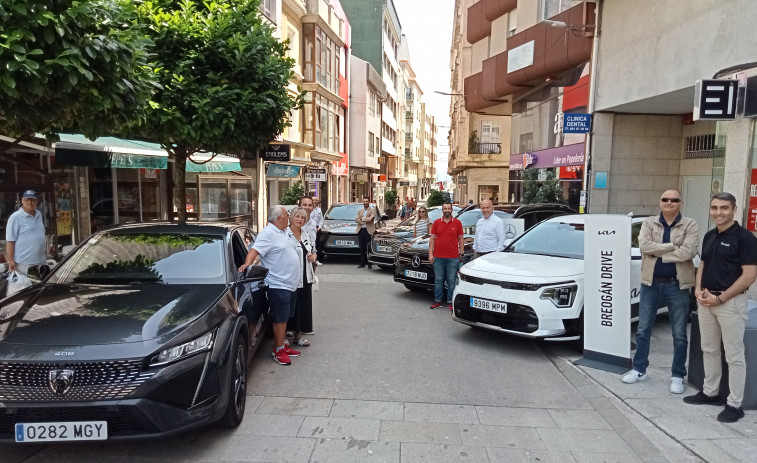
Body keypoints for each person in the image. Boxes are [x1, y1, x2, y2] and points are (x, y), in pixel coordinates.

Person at [684, 192, 757, 423]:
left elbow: (749, 276)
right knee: (710, 349)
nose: (718, 212)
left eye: (724, 208)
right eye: (714, 207)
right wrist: (697, 290)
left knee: (734, 355)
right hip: (706, 301)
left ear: (734, 209)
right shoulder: (709, 236)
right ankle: (710, 392)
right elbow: (703, 264)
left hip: (730, 303)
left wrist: (721, 298)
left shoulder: (745, 238)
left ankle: (735, 405)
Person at [620, 189, 699, 395]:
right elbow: (644, 246)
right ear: (660, 202)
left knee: (680, 333)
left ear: (680, 203)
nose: (669, 202)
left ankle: (677, 375)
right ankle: (639, 369)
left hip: (677, 284)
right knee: (643, 329)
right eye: (665, 199)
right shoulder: (649, 222)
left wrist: (660, 252)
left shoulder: (690, 224)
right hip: (650, 283)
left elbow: (689, 252)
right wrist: (673, 246)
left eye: (674, 200)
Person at [238, 205, 302, 366]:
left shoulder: (282, 232)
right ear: (280, 217)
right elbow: (254, 250)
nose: (289, 217)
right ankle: (279, 350)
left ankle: (281, 345)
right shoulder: (268, 233)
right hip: (278, 283)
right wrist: (247, 265)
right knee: (280, 318)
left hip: (289, 283)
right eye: (287, 215)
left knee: (285, 316)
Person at [286, 207, 317, 347]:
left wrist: (313, 257)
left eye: (303, 218)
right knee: (289, 306)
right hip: (290, 276)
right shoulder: (284, 234)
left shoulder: (305, 233)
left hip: (305, 275)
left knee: (302, 306)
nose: (300, 219)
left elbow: (314, 251)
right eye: (297, 217)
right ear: (291, 218)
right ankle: (285, 335)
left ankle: (298, 336)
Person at [428, 202, 464, 311]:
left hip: (453, 257)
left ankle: (450, 302)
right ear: (442, 210)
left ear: (452, 210)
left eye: (449, 208)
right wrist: (430, 254)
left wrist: (461, 253)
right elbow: (432, 239)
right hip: (438, 257)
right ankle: (438, 301)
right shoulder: (436, 223)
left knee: (451, 280)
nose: (447, 210)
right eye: (445, 209)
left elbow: (461, 239)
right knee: (438, 280)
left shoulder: (457, 223)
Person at [5, 190, 46, 275]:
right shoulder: (15, 217)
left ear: (36, 201)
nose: (30, 202)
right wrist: (11, 260)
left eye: (33, 200)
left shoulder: (39, 214)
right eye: (27, 200)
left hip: (41, 260)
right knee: (29, 287)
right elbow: (10, 241)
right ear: (22, 201)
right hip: (25, 263)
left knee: (41, 286)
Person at [355, 195, 376, 269]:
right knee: (362, 248)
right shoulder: (360, 211)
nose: (365, 203)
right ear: (362, 202)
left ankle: (369, 264)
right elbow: (356, 219)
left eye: (366, 201)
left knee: (368, 248)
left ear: (369, 202)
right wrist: (362, 221)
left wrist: (363, 219)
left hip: (368, 231)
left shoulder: (372, 210)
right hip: (361, 230)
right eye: (364, 201)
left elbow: (370, 219)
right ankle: (362, 263)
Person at [311, 197, 325, 265]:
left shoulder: (319, 210)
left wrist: (319, 227)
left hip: (317, 228)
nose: (315, 201)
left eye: (316, 200)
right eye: (313, 200)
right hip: (310, 228)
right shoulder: (309, 209)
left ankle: (317, 259)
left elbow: (321, 219)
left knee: (317, 244)